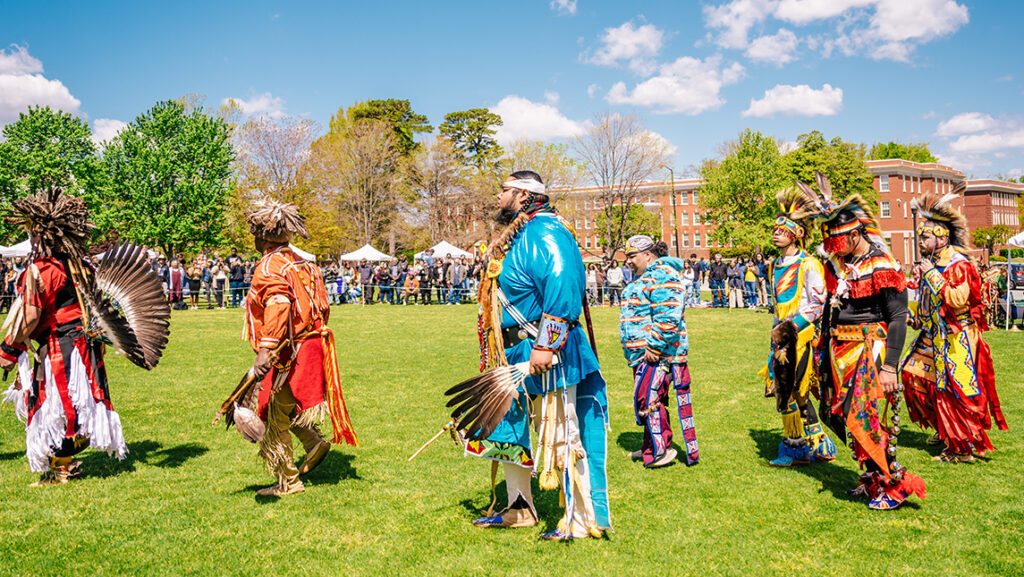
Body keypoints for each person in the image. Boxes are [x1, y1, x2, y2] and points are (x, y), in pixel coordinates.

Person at [465, 170, 610, 540]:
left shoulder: (546, 231)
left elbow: (563, 282)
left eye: (504, 190)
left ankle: (580, 519)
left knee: (561, 432)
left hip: (545, 352)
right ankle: (519, 508)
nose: (499, 197)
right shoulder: (519, 234)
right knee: (507, 428)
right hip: (513, 352)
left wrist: (547, 344)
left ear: (524, 193)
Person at [805, 173, 925, 510]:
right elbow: (830, 303)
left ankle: (892, 486)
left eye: (838, 240)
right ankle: (871, 479)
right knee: (843, 414)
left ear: (856, 233)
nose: (833, 247)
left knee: (865, 415)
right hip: (839, 349)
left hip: (869, 349)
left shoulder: (882, 263)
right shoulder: (843, 264)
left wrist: (890, 367)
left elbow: (899, 316)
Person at [0, 191, 130, 485]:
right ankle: (65, 463)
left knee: (57, 405)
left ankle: (63, 469)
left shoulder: (43, 270)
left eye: (33, 234)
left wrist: (9, 348)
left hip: (61, 348)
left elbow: (31, 317)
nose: (32, 240)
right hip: (84, 345)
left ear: (43, 235)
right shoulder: (80, 265)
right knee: (77, 402)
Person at [242, 198, 357, 496]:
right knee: (286, 405)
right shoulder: (304, 263)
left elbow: (278, 305)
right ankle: (313, 442)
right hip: (311, 346)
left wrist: (266, 350)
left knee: (273, 415)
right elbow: (323, 306)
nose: (253, 238)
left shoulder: (269, 265)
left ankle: (289, 482)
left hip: (289, 351)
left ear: (264, 235)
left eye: (255, 232)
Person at [900, 192, 1007, 463]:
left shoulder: (957, 264)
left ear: (942, 238)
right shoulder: (932, 263)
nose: (920, 242)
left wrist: (932, 276)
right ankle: (945, 429)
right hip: (934, 335)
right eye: (920, 238)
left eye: (925, 238)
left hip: (957, 337)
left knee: (956, 389)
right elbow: (929, 302)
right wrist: (915, 318)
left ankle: (963, 445)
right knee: (914, 376)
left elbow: (959, 299)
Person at [758, 187, 835, 467]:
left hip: (800, 336)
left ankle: (798, 448)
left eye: (782, 229)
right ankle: (814, 445)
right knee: (791, 391)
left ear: (796, 234)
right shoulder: (774, 265)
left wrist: (789, 328)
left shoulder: (809, 263)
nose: (775, 233)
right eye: (775, 229)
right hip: (781, 336)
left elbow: (817, 304)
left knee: (791, 389)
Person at [620, 235, 698, 468]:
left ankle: (661, 450)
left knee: (650, 400)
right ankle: (650, 446)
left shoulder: (663, 276)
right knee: (647, 399)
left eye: (632, 256)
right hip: (643, 355)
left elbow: (668, 315)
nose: (628, 262)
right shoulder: (645, 277)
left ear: (648, 255)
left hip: (660, 354)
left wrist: (654, 345)